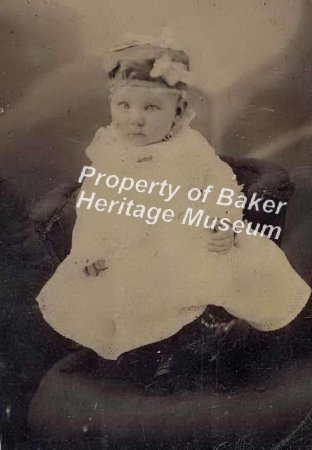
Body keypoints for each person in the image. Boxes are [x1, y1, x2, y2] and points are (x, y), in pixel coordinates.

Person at [35, 35, 310, 363]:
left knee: (218, 274)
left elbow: (221, 184)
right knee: (113, 292)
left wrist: (225, 222)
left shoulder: (189, 148)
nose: (135, 118)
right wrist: (90, 251)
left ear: (178, 112)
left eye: (151, 107)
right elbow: (93, 206)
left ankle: (202, 334)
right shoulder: (111, 152)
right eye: (124, 105)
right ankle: (149, 350)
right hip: (127, 243)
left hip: (185, 236)